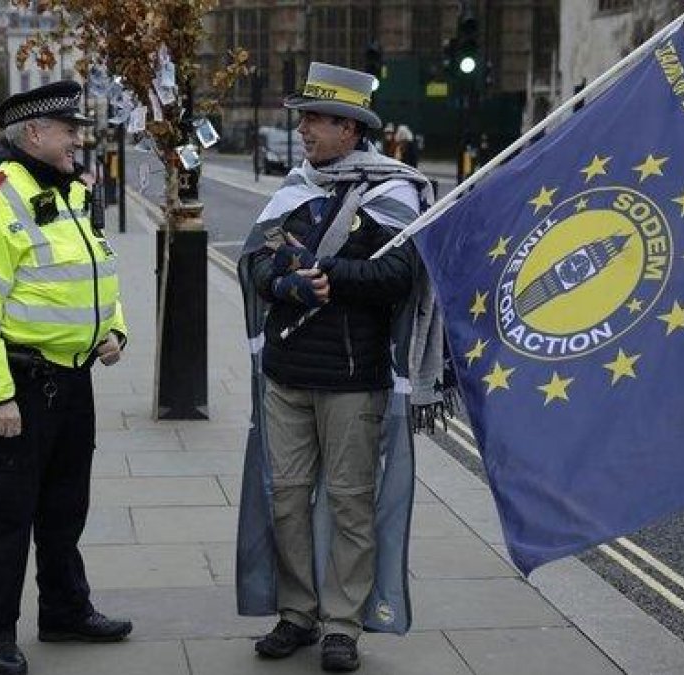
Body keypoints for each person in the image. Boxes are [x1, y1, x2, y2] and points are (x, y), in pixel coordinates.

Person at [236, 62, 447, 673]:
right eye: (303, 118)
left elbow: (398, 276)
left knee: (352, 503)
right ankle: (298, 613)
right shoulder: (294, 188)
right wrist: (284, 283)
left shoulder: (394, 192)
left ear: (351, 129)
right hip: (286, 373)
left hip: (354, 380)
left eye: (317, 119)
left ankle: (342, 624)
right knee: (287, 499)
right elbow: (255, 265)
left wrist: (329, 277)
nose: (304, 129)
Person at [0, 80, 132, 675]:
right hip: (21, 387)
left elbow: (99, 268)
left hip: (74, 383)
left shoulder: (74, 192)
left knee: (64, 508)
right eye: (68, 128)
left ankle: (64, 609)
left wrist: (116, 330)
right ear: (34, 134)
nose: (78, 136)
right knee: (5, 516)